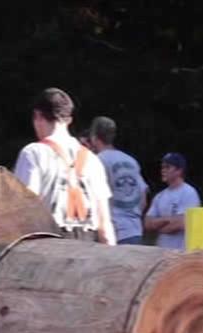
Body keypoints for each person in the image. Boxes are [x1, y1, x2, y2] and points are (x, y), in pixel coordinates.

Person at [13, 88, 116, 244]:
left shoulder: (33, 153)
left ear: (38, 116)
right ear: (69, 120)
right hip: (89, 248)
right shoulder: (92, 159)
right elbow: (104, 225)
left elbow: (26, 211)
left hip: (49, 247)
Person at [88, 116, 148, 246]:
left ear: (94, 137)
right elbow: (143, 199)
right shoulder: (131, 161)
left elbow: (94, 198)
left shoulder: (97, 161)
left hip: (113, 234)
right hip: (135, 231)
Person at [144, 153, 201, 251]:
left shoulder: (189, 192)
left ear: (179, 170)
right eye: (162, 167)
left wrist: (159, 225)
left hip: (182, 253)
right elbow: (147, 223)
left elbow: (181, 223)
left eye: (167, 167)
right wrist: (168, 220)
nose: (163, 170)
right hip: (162, 253)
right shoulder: (160, 196)